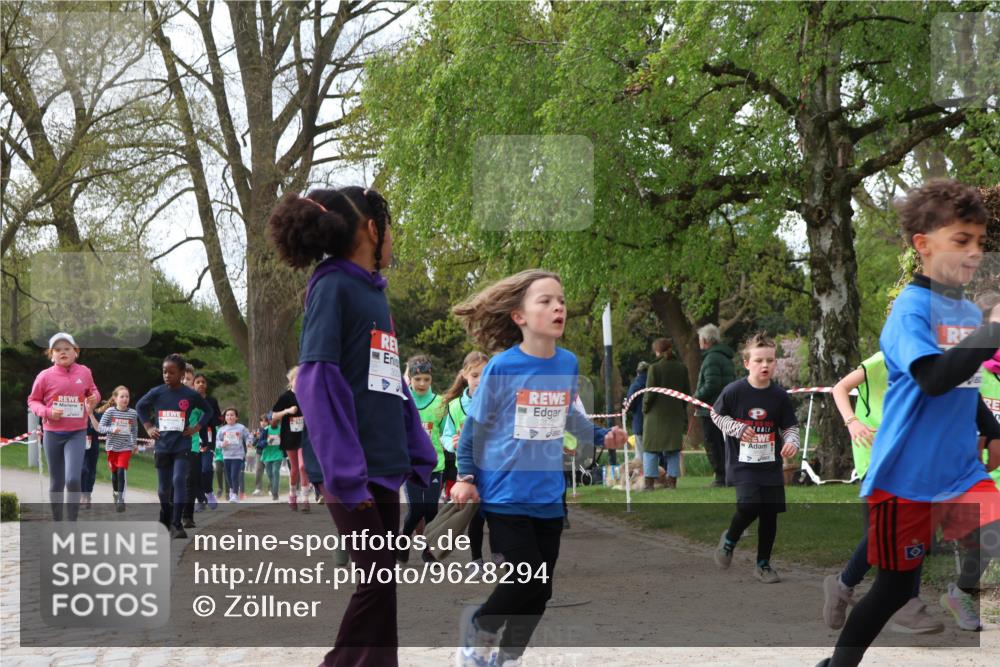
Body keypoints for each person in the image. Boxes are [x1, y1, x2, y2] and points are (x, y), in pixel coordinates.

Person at [818, 180, 1000, 667]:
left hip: (959, 473)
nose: (974, 252)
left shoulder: (962, 309)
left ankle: (959, 593)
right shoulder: (911, 309)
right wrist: (993, 329)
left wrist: (994, 431)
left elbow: (964, 385)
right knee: (893, 591)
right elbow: (935, 378)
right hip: (907, 479)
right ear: (923, 244)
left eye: (979, 242)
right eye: (961, 241)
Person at [269, 185, 438, 667]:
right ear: (370, 228)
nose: (392, 239)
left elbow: (390, 385)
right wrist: (344, 472)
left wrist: (417, 448)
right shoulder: (332, 286)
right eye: (389, 229)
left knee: (383, 582)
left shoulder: (373, 294)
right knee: (377, 578)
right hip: (351, 470)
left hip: (381, 465)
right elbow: (316, 381)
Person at [450, 269, 626, 667]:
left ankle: (507, 658)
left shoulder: (566, 363)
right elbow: (472, 430)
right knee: (523, 577)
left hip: (548, 496)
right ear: (520, 316)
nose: (558, 307)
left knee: (540, 590)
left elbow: (569, 417)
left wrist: (601, 438)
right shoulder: (502, 367)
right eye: (545, 301)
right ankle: (478, 632)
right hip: (506, 495)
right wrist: (465, 476)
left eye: (560, 300)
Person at [823, 351, 942, 633]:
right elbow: (840, 388)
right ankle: (905, 602)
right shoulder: (882, 360)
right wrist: (852, 422)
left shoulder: (929, 360)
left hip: (913, 456)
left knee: (912, 527)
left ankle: (844, 586)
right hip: (877, 455)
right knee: (891, 529)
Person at [711, 332, 800, 584]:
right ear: (746, 363)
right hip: (743, 464)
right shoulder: (734, 391)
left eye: (770, 361)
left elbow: (789, 426)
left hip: (770, 464)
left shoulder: (779, 396)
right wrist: (737, 429)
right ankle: (729, 540)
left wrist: (791, 442)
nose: (765, 365)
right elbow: (716, 416)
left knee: (770, 514)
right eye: (759, 360)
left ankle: (763, 564)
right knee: (750, 506)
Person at [135, 353, 214, 539]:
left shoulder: (190, 395)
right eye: (164, 372)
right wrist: (148, 427)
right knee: (163, 488)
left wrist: (196, 428)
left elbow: (208, 410)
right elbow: (140, 406)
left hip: (182, 445)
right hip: (163, 446)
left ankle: (177, 524)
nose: (167, 375)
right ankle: (166, 516)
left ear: (181, 374)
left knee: (179, 480)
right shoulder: (157, 392)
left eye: (171, 372)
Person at [27, 332, 100, 522]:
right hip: (52, 434)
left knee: (73, 480)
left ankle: (72, 522)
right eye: (58, 350)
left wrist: (94, 399)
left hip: (76, 433)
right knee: (57, 482)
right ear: (51, 354)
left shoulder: (84, 372)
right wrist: (48, 412)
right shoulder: (44, 376)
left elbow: (93, 392)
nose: (63, 352)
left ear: (76, 352)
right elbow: (33, 401)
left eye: (67, 348)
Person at [441, 351, 489, 567]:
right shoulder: (454, 407)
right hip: (468, 471)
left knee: (498, 516)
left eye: (486, 375)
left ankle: (499, 554)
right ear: (464, 376)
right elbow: (445, 435)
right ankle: (476, 559)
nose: (480, 380)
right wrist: (453, 443)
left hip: (493, 468)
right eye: (475, 375)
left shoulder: (497, 402)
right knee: (475, 518)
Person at [398, 354, 446, 563]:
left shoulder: (439, 403)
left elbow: (444, 433)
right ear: (410, 379)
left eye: (426, 379)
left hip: (436, 464)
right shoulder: (402, 401)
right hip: (410, 464)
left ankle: (428, 550)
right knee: (417, 508)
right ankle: (402, 542)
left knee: (431, 510)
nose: (422, 383)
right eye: (418, 379)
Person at [642, 337, 690, 490]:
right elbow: (686, 393)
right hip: (675, 415)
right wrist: (680, 408)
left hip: (655, 416)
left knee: (650, 449)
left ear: (657, 351)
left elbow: (649, 394)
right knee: (673, 449)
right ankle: (672, 482)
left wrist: (645, 408)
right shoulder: (682, 368)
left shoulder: (654, 368)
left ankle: (649, 483)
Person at [694, 323, 736, 487]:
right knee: (723, 443)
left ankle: (721, 477)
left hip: (711, 408)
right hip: (724, 406)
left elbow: (712, 384)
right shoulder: (724, 356)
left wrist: (696, 397)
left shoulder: (711, 358)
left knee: (712, 442)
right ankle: (728, 475)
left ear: (705, 340)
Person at [88, 386, 138, 513]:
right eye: (122, 396)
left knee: (122, 471)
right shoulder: (110, 412)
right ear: (115, 398)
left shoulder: (132, 413)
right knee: (115, 474)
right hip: (112, 447)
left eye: (127, 396)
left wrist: (134, 444)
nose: (125, 399)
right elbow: (100, 428)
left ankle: (121, 499)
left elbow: (134, 430)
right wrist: (111, 429)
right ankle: (116, 493)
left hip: (125, 447)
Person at [272, 366, 308, 511]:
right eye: (296, 380)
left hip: (304, 436)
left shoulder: (307, 395)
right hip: (289, 436)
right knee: (294, 469)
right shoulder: (286, 397)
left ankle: (305, 499)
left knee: (303, 467)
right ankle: (292, 494)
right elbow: (273, 416)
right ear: (291, 381)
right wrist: (287, 411)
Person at [193, 373, 221, 510]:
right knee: (195, 472)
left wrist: (207, 419)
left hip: (208, 438)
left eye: (203, 382)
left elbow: (217, 419)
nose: (200, 384)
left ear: (206, 385)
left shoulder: (212, 401)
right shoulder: (190, 400)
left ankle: (209, 492)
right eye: (197, 382)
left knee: (206, 469)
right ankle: (200, 499)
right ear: (193, 384)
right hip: (193, 438)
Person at [217, 408, 252, 503]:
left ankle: (235, 494)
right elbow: (217, 441)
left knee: (234, 475)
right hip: (226, 455)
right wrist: (221, 444)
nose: (229, 417)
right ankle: (232, 490)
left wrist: (249, 442)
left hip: (238, 455)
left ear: (236, 417)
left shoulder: (241, 427)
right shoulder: (222, 429)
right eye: (227, 415)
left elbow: (248, 436)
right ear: (225, 418)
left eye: (232, 415)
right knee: (228, 475)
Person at [624, 360, 648, 458]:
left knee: (640, 453)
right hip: (654, 424)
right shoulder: (654, 384)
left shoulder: (635, 385)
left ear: (637, 372)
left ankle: (641, 472)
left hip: (639, 422)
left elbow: (629, 405)